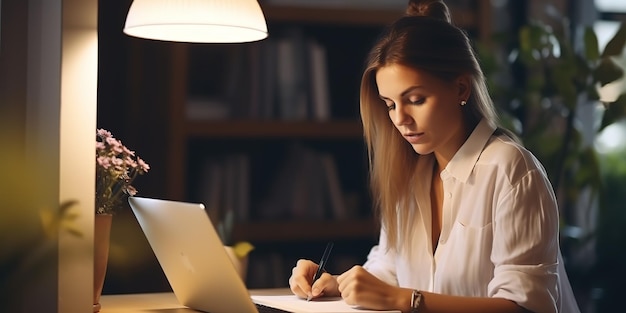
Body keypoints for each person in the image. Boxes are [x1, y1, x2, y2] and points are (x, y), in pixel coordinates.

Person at [288, 0, 581, 312]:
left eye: (415, 99)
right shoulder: (408, 172)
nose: (400, 118)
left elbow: (526, 307)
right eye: (389, 104)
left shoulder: (510, 171)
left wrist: (406, 300)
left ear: (461, 89)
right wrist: (337, 284)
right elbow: (389, 270)